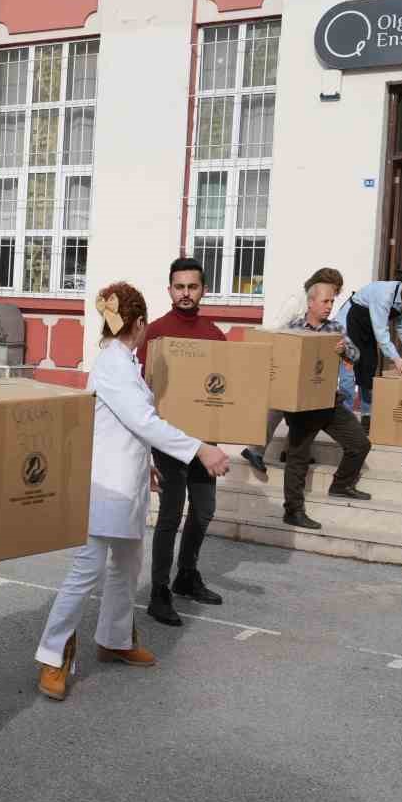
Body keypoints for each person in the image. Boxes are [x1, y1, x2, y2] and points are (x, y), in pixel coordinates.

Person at [35, 283, 231, 701]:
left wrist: (145, 465)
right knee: (86, 570)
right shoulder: (114, 364)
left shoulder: (122, 361)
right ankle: (53, 655)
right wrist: (200, 448)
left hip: (125, 482)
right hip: (104, 485)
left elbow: (125, 425)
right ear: (139, 322)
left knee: (126, 565)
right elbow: (143, 420)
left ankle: (115, 639)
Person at [136, 256, 229, 626]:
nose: (185, 293)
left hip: (205, 441)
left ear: (203, 289)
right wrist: (145, 450)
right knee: (170, 515)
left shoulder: (215, 335)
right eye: (179, 287)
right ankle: (159, 592)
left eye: (192, 286)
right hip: (168, 440)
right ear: (170, 290)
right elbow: (141, 393)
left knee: (204, 510)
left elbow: (225, 387)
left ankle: (186, 576)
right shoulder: (155, 333)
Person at [276, 280, 372, 531]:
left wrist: (345, 349)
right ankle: (293, 511)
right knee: (298, 458)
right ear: (311, 302)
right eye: (325, 301)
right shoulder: (292, 328)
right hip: (302, 405)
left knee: (360, 444)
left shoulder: (335, 328)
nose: (329, 306)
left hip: (329, 400)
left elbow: (356, 356)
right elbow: (277, 359)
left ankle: (341, 485)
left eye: (332, 301)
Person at [242, 267, 343, 478]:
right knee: (279, 405)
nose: (331, 300)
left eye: (333, 296)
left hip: (307, 365)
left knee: (307, 405)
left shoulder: (329, 319)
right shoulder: (296, 301)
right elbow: (276, 329)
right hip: (288, 361)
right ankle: (255, 449)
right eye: (331, 293)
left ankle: (290, 450)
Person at [345, 270, 402, 426]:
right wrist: (396, 359)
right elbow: (381, 330)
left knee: (369, 368)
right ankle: (346, 418)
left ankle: (367, 415)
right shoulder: (385, 294)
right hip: (354, 321)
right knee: (351, 367)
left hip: (370, 327)